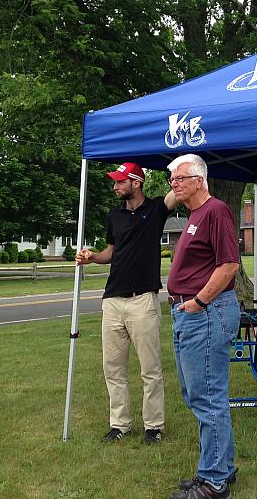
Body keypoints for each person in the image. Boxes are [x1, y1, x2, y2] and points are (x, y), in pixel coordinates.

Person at [76, 162, 176, 445]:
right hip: (112, 301)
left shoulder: (156, 209)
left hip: (143, 299)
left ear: (136, 182)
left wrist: (178, 164)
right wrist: (93, 257)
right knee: (113, 368)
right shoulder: (114, 215)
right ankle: (120, 425)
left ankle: (153, 426)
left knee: (150, 369)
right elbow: (112, 251)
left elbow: (177, 191)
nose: (115, 187)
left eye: (120, 182)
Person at [166, 154, 241, 499]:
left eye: (179, 178)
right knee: (200, 396)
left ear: (199, 180)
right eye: (172, 179)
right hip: (190, 312)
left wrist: (199, 301)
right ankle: (221, 468)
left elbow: (228, 266)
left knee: (208, 398)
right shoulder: (195, 215)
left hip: (206, 313)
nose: (174, 184)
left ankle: (213, 483)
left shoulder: (216, 211)